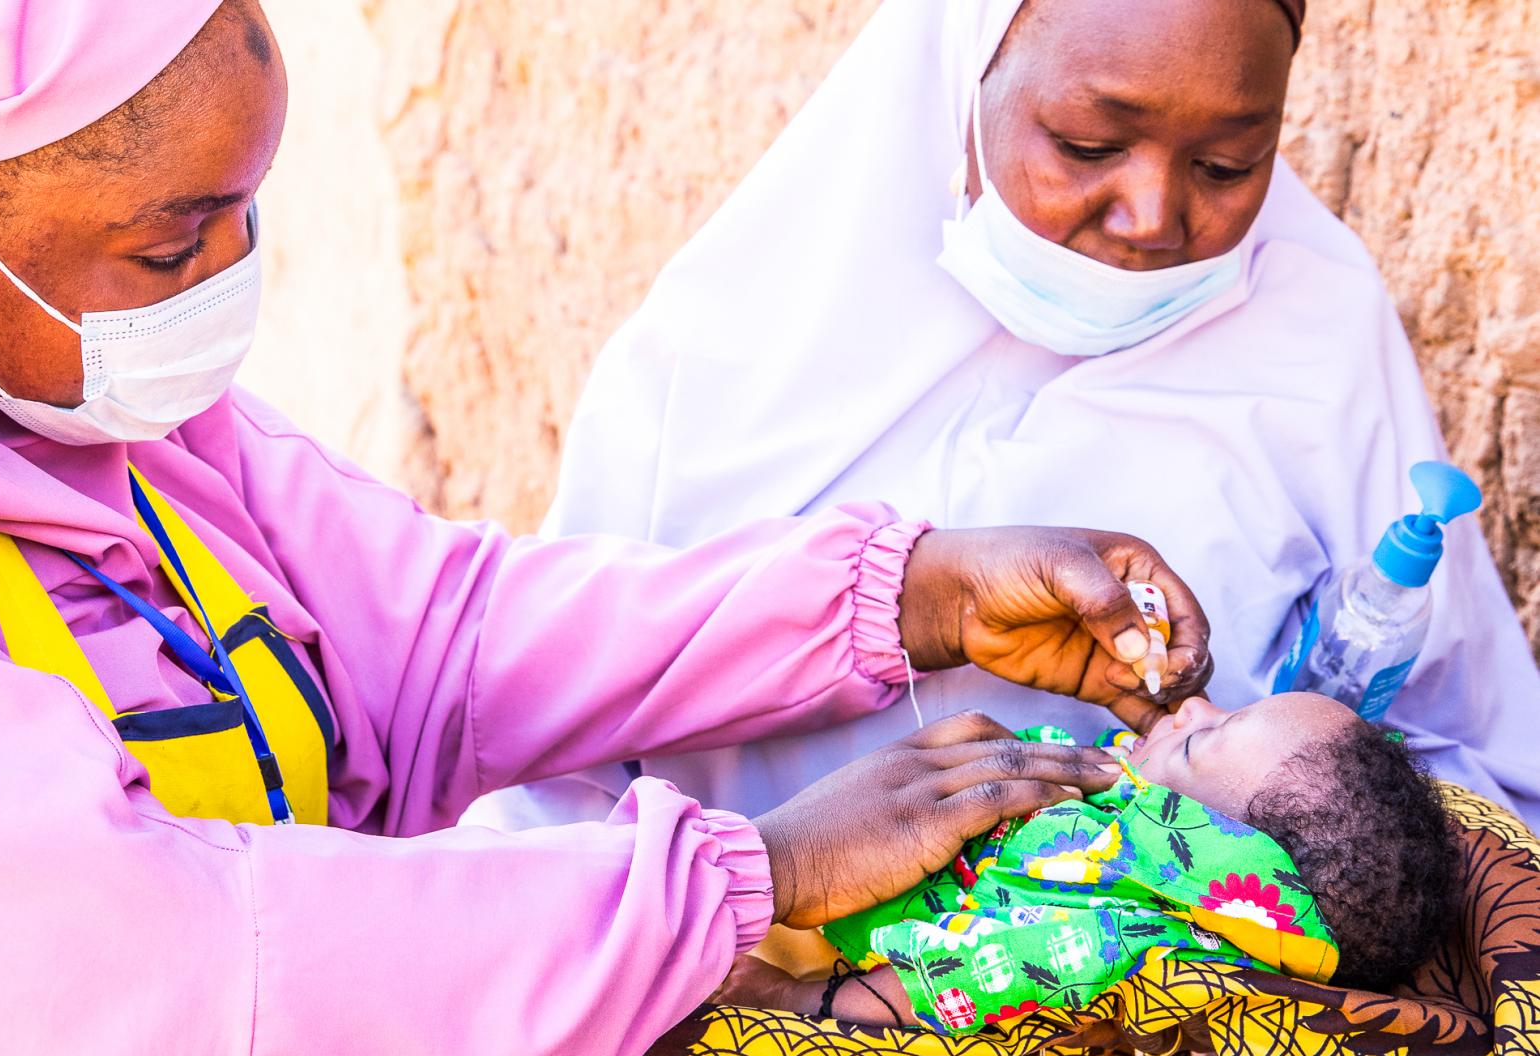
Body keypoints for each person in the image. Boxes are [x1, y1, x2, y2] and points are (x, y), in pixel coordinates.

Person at [0, 3, 1220, 1056]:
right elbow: (182, 961)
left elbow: (441, 645)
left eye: (245, 215)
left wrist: (903, 596)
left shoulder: (148, 447)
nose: (223, 278)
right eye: (166, 247)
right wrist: (742, 877)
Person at [483, 0, 1540, 835]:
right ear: (965, 68)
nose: (1154, 215)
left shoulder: (1318, 333)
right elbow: (546, 736)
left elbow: (1473, 763)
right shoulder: (729, 341)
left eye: (1227, 165)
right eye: (1087, 144)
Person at [715, 694, 1459, 1031]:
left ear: (1222, 854)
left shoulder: (1124, 935)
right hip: (839, 845)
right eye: (1233, 706)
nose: (1195, 708)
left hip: (827, 934)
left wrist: (789, 1000)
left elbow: (960, 982)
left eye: (1203, 742)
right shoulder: (1137, 829)